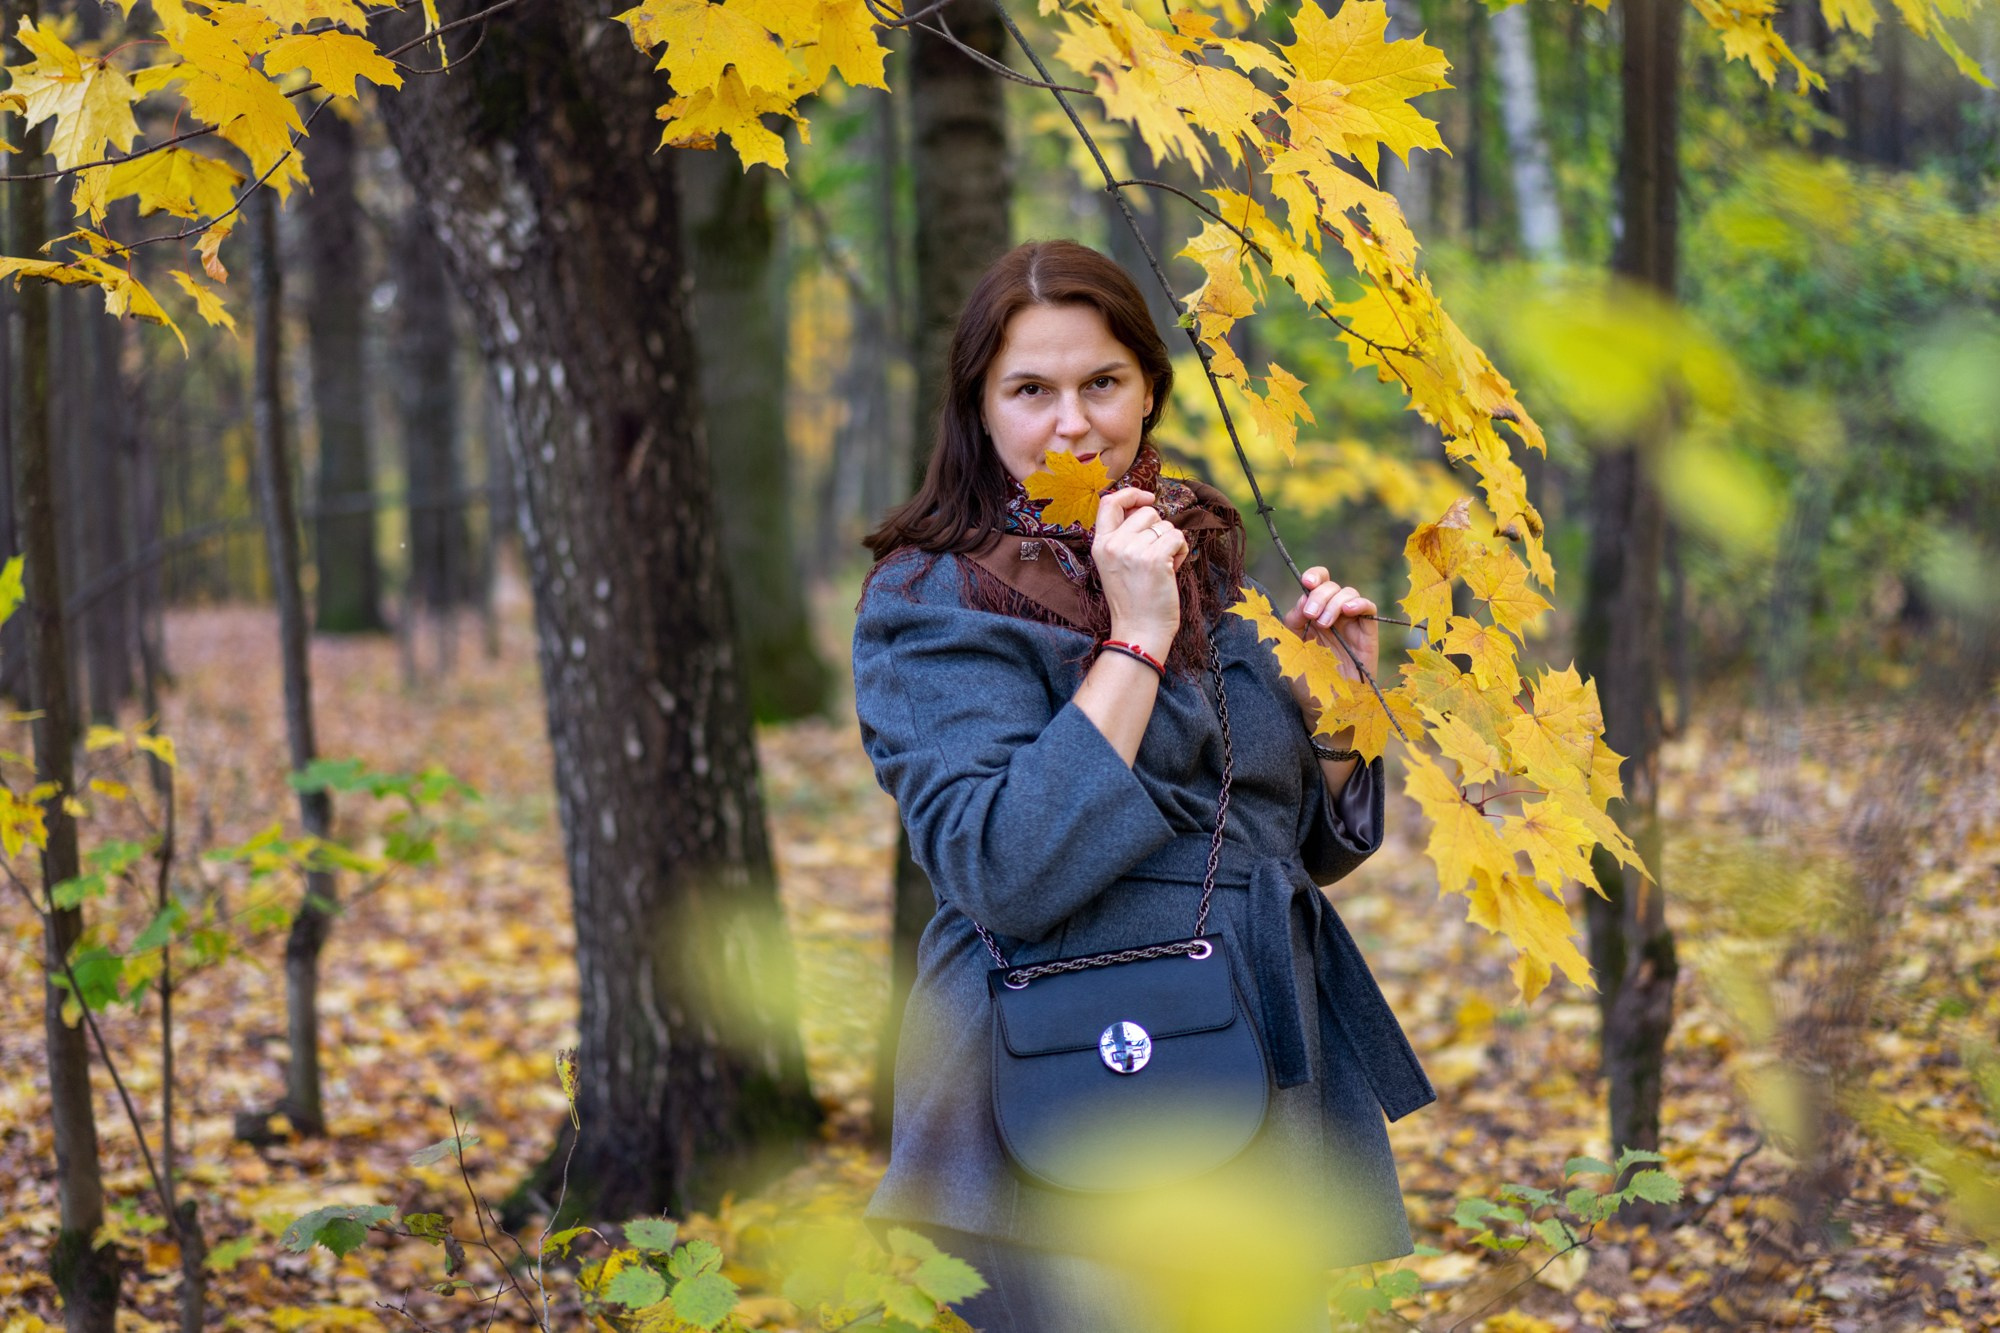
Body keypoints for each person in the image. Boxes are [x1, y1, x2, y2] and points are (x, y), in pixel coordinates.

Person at [853, 240, 1434, 1332]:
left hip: (1252, 1056)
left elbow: (1281, 842)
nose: (1071, 423)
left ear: (1149, 391)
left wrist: (1343, 705)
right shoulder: (931, 598)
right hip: (1059, 1088)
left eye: (1100, 383)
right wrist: (1135, 639)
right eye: (1029, 390)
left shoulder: (1200, 549)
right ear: (978, 409)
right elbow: (1001, 865)